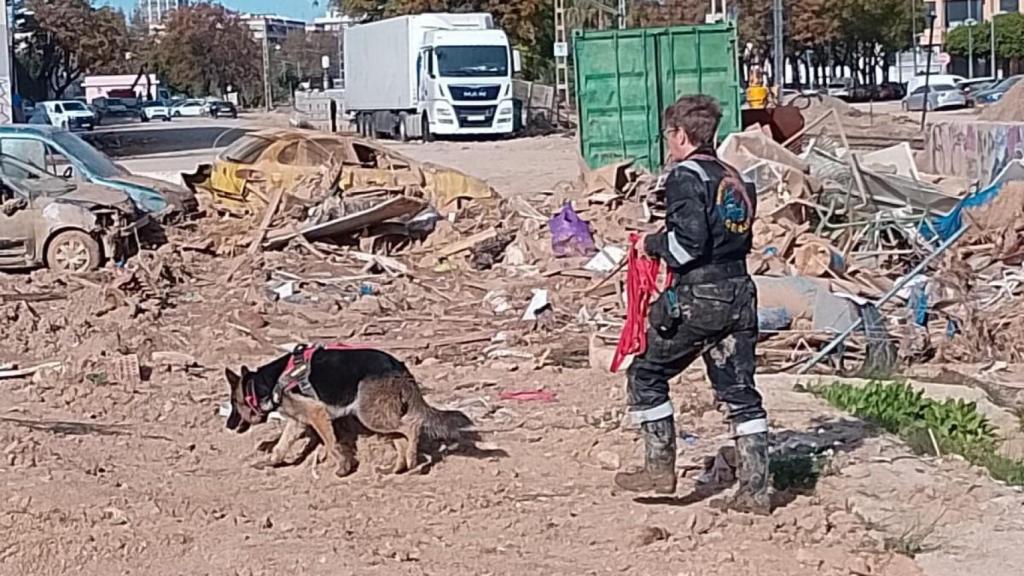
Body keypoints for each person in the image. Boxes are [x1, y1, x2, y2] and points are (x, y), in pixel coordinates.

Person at [613, 94, 770, 515]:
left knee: (646, 371)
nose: (667, 144)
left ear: (681, 134)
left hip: (701, 297)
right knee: (740, 393)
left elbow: (685, 247)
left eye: (669, 135)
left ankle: (658, 468)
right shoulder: (731, 175)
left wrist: (650, 242)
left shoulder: (685, 176)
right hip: (741, 292)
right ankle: (757, 490)